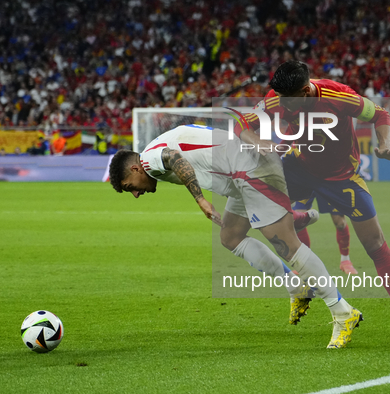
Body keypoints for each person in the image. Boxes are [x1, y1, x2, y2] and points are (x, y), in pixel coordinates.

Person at [109, 124, 363, 349]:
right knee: (230, 236)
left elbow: (175, 157)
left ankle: (343, 313)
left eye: (130, 187)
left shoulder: (148, 159)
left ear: (134, 168)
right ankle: (296, 285)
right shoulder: (153, 153)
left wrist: (200, 200)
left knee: (288, 246)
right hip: (241, 175)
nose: (136, 194)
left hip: (251, 171)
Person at [236, 60, 390, 348]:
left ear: (304, 91)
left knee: (375, 244)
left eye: (288, 101)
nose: (282, 108)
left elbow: (380, 114)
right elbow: (241, 124)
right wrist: (258, 143)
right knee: (252, 194)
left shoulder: (338, 96)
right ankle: (296, 218)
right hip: (299, 168)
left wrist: (385, 145)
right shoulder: (277, 97)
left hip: (342, 177)